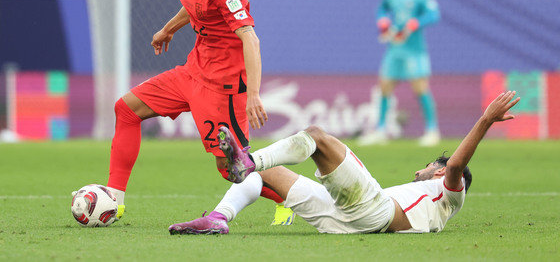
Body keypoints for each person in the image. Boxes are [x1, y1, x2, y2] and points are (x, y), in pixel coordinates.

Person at [105, 0, 294, 225]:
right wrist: (169, 28)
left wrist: (254, 95)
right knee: (126, 109)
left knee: (232, 167)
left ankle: (290, 198)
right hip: (193, 71)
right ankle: (113, 202)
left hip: (224, 87)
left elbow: (251, 39)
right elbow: (194, 5)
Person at [169, 91, 519, 235]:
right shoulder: (428, 196)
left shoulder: (450, 193)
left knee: (318, 136)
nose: (420, 171)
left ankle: (246, 160)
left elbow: (457, 166)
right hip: (346, 221)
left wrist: (486, 119)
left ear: (439, 172)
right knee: (268, 175)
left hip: (375, 212)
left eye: (429, 166)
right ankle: (217, 219)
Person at [359, 0, 441, 146]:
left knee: (420, 87)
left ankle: (432, 130)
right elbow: (381, 9)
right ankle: (380, 130)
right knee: (385, 86)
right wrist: (383, 21)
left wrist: (416, 23)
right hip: (395, 47)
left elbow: (434, 14)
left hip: (415, 49)